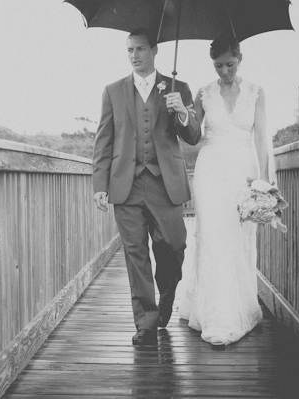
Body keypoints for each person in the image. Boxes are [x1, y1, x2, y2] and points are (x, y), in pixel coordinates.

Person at [92, 27, 201, 345]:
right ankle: (146, 323)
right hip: (124, 185)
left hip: (165, 184)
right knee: (135, 253)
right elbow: (104, 139)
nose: (134, 55)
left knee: (174, 246)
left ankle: (166, 298)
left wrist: (181, 111)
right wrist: (100, 183)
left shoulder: (178, 87)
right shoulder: (112, 91)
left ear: (154, 50)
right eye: (129, 50)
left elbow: (193, 136)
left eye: (140, 49)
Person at [178, 34, 276, 346]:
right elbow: (192, 136)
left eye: (229, 64)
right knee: (213, 238)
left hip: (242, 174)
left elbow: (261, 138)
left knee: (238, 239)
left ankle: (239, 310)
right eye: (218, 65)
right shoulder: (204, 93)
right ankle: (215, 316)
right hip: (210, 172)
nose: (224, 71)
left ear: (239, 59)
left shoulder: (256, 92)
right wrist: (182, 112)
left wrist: (265, 184)